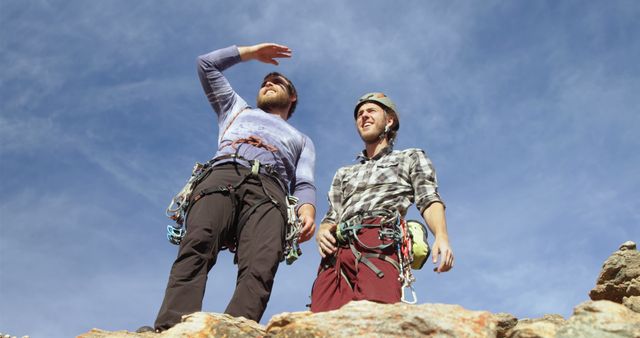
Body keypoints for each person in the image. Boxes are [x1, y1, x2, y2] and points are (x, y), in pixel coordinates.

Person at [151, 43, 317, 331]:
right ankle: (171, 328)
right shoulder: (235, 110)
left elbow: (303, 181)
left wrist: (308, 209)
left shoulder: (301, 139)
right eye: (265, 81)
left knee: (261, 264)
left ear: (292, 97)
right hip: (224, 173)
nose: (269, 83)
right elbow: (206, 64)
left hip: (271, 192)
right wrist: (250, 53)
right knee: (197, 244)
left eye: (277, 81)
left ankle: (236, 331)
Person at [310, 92, 453, 312]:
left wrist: (441, 236)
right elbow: (332, 214)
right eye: (359, 114)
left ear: (389, 120)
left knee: (375, 318)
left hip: (379, 240)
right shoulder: (344, 173)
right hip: (336, 252)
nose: (363, 116)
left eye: (371, 111)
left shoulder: (410, 157)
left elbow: (428, 198)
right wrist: (323, 230)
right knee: (320, 321)